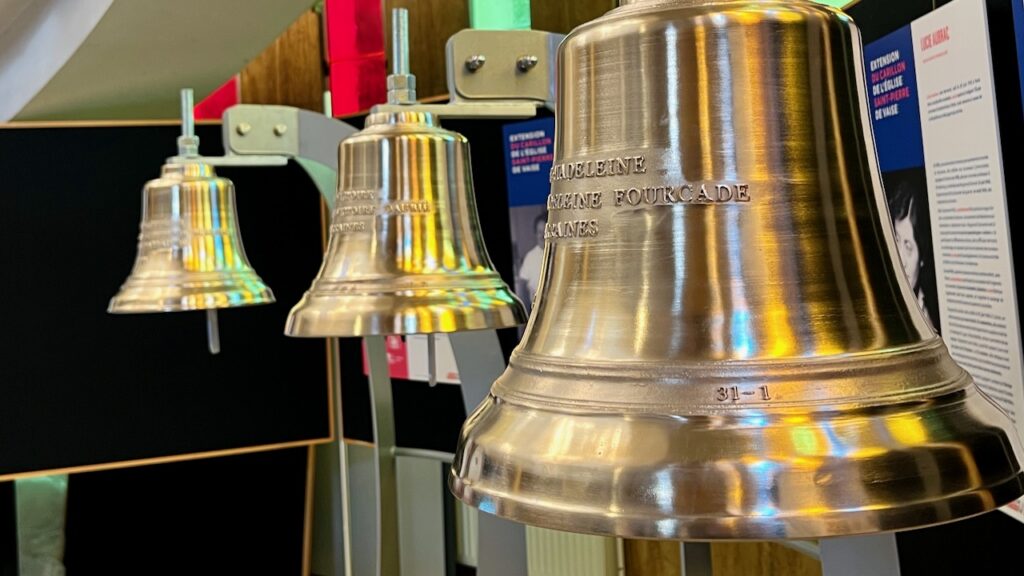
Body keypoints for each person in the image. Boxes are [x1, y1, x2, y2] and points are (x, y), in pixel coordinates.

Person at [888, 179, 940, 333]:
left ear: (922, 257)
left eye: (908, 246)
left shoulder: (932, 321)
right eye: (896, 239)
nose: (899, 259)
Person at [517, 213, 547, 308]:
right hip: (536, 309)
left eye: (545, 232)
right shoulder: (530, 257)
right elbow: (522, 286)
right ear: (535, 234)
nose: (542, 236)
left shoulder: (560, 253)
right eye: (539, 232)